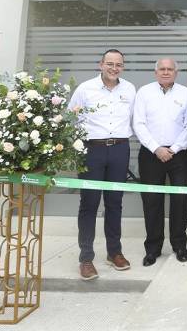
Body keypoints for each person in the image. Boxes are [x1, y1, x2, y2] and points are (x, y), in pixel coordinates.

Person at [69, 49, 136, 281]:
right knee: (89, 203)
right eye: (110, 64)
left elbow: (134, 119)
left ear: (122, 67)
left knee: (115, 203)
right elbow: (71, 118)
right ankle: (86, 258)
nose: (114, 68)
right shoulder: (85, 88)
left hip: (119, 148)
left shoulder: (130, 89)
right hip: (92, 149)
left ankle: (114, 252)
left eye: (119, 65)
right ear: (101, 64)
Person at [133, 58, 187, 266]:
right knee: (152, 202)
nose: (166, 72)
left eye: (170, 69)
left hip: (179, 154)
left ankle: (179, 245)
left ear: (176, 72)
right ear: (156, 72)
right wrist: (156, 148)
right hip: (151, 154)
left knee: (180, 201)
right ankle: (153, 248)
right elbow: (138, 123)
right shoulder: (144, 92)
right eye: (162, 69)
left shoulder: (185, 93)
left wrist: (174, 149)